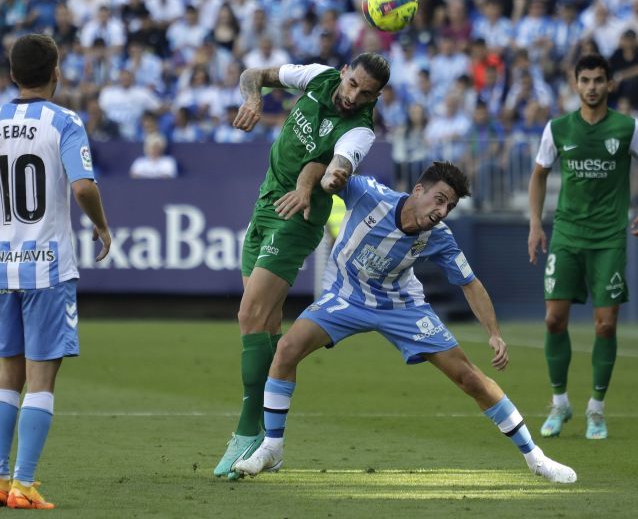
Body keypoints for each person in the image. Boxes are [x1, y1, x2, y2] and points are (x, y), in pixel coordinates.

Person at [232, 163, 576, 484]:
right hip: (346, 297)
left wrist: (494, 334)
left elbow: (470, 283)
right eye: (439, 200)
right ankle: (272, 448)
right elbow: (322, 170)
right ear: (418, 190)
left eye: (449, 207)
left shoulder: (439, 236)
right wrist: (316, 183)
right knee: (287, 350)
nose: (441, 211)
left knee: (469, 376)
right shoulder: (369, 194)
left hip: (401, 307)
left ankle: (536, 458)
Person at [0, 34, 112, 509]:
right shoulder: (64, 122)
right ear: (56, 72)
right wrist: (102, 227)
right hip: (47, 267)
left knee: (7, 374)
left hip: (1, 267)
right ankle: (23, 483)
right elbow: (82, 187)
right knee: (41, 378)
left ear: (12, 73)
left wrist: (1, 216)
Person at [214, 53, 390, 479]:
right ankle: (272, 441)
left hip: (299, 214)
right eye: (353, 85)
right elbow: (253, 73)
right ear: (345, 71)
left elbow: (337, 167)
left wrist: (326, 180)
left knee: (249, 316)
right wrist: (255, 99)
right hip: (267, 202)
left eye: (366, 94)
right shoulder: (317, 76)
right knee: (267, 322)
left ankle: (246, 432)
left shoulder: (360, 129)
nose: (354, 96)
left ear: (376, 96)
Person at [527, 54, 638, 440]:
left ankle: (596, 410)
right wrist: (536, 224)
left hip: (608, 239)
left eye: (598, 80)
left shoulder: (628, 128)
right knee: (554, 320)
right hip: (567, 235)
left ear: (610, 84)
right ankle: (560, 403)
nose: (591, 87)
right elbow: (539, 175)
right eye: (584, 80)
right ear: (575, 84)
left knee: (605, 325)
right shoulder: (558, 129)